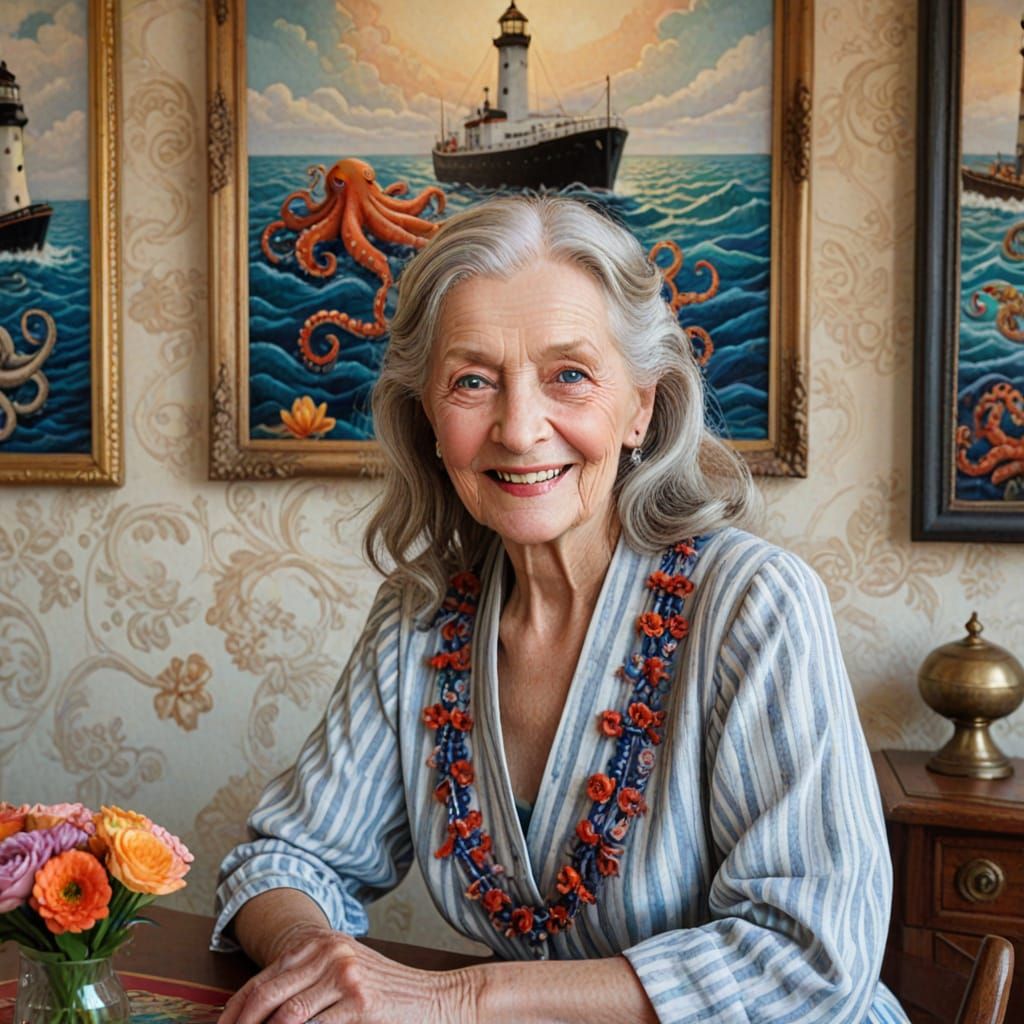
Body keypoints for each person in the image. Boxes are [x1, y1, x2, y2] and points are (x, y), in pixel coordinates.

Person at [212, 196, 909, 1023]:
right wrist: (316, 960)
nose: (518, 428)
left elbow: (811, 960)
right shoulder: (420, 617)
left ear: (641, 406)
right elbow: (283, 858)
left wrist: (460, 997)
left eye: (568, 375)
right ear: (430, 419)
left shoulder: (755, 604)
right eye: (472, 381)